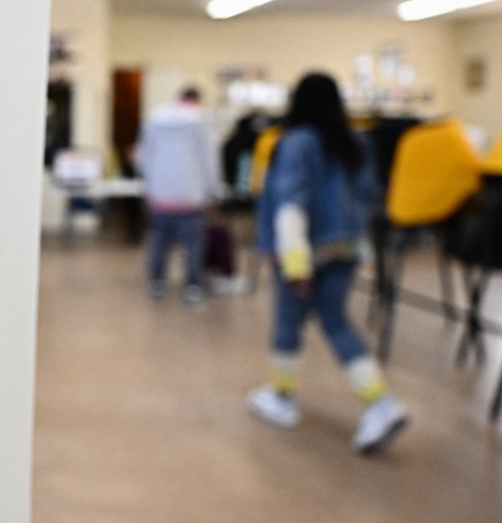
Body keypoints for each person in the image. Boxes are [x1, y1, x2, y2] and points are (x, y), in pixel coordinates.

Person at [247, 72, 409, 453]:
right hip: (348, 247)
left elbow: (290, 203)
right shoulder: (358, 143)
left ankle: (282, 397)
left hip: (304, 249)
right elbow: (369, 196)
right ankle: (380, 403)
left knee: (289, 321)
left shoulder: (295, 143)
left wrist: (294, 261)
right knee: (335, 320)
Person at [134, 86, 222, 305]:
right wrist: (213, 192)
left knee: (158, 242)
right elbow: (210, 161)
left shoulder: (154, 119)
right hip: (191, 197)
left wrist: (151, 184)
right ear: (197, 100)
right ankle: (192, 287)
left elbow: (142, 157)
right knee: (192, 245)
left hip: (159, 196)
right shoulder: (202, 122)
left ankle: (157, 283)